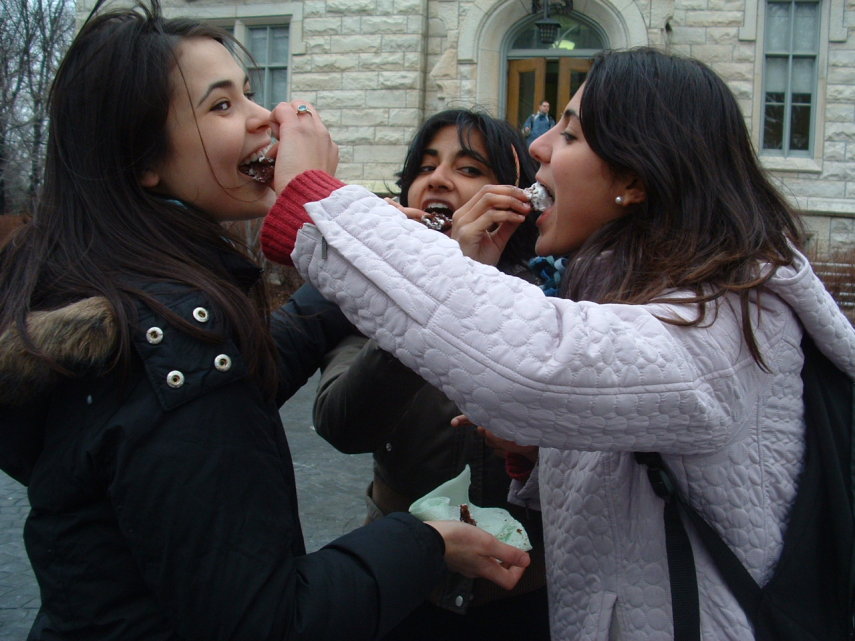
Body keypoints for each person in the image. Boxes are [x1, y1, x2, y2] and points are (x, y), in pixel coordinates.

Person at [259, 47, 855, 640]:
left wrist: (315, 201)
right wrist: (535, 453)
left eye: (568, 135)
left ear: (636, 177)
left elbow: (530, 364)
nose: (538, 146)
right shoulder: (632, 289)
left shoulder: (723, 319)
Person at [0, 2, 531, 640]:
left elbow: (249, 365)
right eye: (221, 105)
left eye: (250, 94)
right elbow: (268, 618)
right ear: (143, 158)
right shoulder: (163, 334)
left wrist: (374, 266)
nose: (268, 118)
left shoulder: (118, 296)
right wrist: (425, 544)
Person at [312, 108, 550, 641]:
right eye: (425, 165)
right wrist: (428, 294)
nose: (438, 178)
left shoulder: (550, 304)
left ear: (513, 199)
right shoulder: (369, 294)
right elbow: (343, 425)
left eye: (468, 168)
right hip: (407, 584)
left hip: (527, 591)